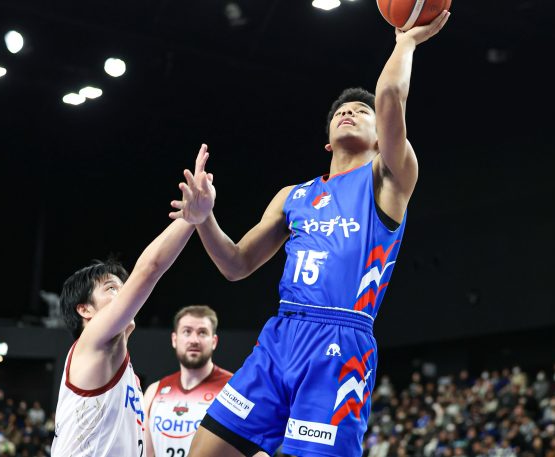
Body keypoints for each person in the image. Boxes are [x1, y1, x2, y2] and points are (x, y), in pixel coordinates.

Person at [170, 11, 451, 457]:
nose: (349, 112)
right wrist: (204, 218)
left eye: (361, 111)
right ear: (327, 141)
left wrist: (406, 42)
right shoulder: (293, 196)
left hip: (340, 343)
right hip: (280, 336)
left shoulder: (388, 180)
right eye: (341, 111)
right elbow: (236, 265)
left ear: (382, 136)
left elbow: (390, 97)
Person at [51, 148, 212, 456]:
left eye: (123, 288)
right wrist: (191, 219)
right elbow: (149, 269)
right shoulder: (92, 342)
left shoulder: (126, 374)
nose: (124, 295)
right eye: (112, 288)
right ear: (84, 309)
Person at [144, 306, 233, 457]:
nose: (194, 340)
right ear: (174, 339)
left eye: (202, 332)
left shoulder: (232, 389)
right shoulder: (154, 391)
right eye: (187, 331)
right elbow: (145, 452)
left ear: (214, 341)